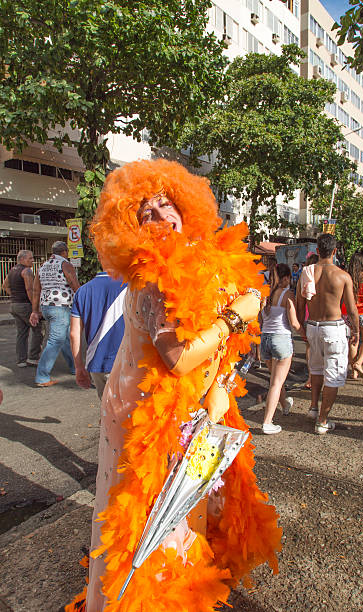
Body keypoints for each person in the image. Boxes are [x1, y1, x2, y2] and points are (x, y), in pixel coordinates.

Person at [66, 159, 281, 612]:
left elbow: (216, 353)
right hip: (146, 415)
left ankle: (174, 596)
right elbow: (179, 357)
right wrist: (237, 313)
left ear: (187, 211)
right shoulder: (155, 276)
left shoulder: (199, 267)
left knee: (181, 510)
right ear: (131, 228)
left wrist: (222, 382)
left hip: (185, 412)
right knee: (145, 518)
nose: (163, 218)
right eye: (147, 213)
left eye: (168, 207)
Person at [297, 233, 359, 435]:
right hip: (333, 327)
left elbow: (300, 305)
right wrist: (356, 330)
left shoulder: (307, 272)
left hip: (312, 326)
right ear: (334, 251)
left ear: (317, 250)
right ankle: (322, 421)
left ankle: (314, 408)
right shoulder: (342, 276)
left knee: (315, 369)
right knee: (333, 376)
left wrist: (302, 328)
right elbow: (351, 310)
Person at [260, 263, 305, 434]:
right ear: (285, 278)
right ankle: (267, 422)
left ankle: (285, 404)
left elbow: (261, 321)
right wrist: (306, 336)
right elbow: (294, 323)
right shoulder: (288, 295)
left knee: (275, 380)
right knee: (276, 383)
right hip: (281, 339)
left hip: (265, 339)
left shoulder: (266, 296)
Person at [30, 241, 80, 387]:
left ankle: (74, 367)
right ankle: (42, 377)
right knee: (56, 340)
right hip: (61, 306)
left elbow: (35, 290)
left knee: (64, 338)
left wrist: (35, 310)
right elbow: (73, 283)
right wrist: (84, 301)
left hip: (46, 306)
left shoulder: (43, 266)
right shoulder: (65, 264)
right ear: (64, 252)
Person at [70, 271, 127, 399]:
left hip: (97, 362)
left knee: (107, 411)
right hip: (127, 363)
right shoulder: (134, 287)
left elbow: (74, 333)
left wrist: (79, 367)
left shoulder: (82, 291)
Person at [2, 250, 44, 367]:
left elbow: (5, 286)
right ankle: (33, 357)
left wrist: (14, 295)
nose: (32, 260)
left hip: (14, 305)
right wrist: (36, 309)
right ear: (22, 259)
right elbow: (30, 290)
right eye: (30, 258)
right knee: (38, 330)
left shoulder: (12, 270)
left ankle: (21, 360)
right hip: (25, 305)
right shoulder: (27, 271)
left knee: (21, 333)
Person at [301, 252, 319, 390]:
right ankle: (317, 376)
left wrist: (299, 322)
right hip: (321, 317)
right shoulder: (322, 276)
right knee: (319, 349)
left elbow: (299, 302)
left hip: (308, 317)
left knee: (309, 348)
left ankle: (310, 377)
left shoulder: (305, 277)